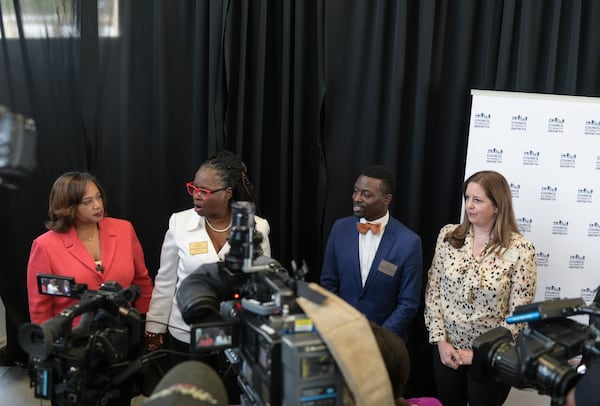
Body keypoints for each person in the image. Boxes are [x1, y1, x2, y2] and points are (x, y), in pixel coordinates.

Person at [424, 170, 538, 406]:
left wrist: (480, 354)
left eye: (477, 200)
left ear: (497, 206)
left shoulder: (521, 249)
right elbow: (433, 290)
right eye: (467, 198)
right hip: (448, 352)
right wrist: (440, 342)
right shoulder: (449, 235)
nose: (469, 205)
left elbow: (520, 313)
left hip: (491, 358)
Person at [144, 150, 271, 359]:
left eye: (204, 191)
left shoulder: (256, 227)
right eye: (193, 188)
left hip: (234, 336)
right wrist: (155, 326)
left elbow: (261, 285)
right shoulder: (179, 224)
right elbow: (166, 280)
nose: (196, 195)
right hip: (186, 333)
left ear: (227, 193)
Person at [26, 171, 154, 324]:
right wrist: (45, 341)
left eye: (98, 197)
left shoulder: (124, 230)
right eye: (87, 202)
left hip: (122, 331)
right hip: (72, 338)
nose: (97, 205)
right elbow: (40, 306)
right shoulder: (45, 246)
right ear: (68, 207)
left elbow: (142, 281)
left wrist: (147, 323)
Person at [320, 165, 423, 341]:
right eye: (355, 191)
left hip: (386, 343)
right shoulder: (340, 229)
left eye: (366, 194)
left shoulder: (408, 242)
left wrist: (380, 337)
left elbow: (408, 302)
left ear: (386, 199)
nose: (356, 198)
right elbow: (328, 283)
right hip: (341, 334)